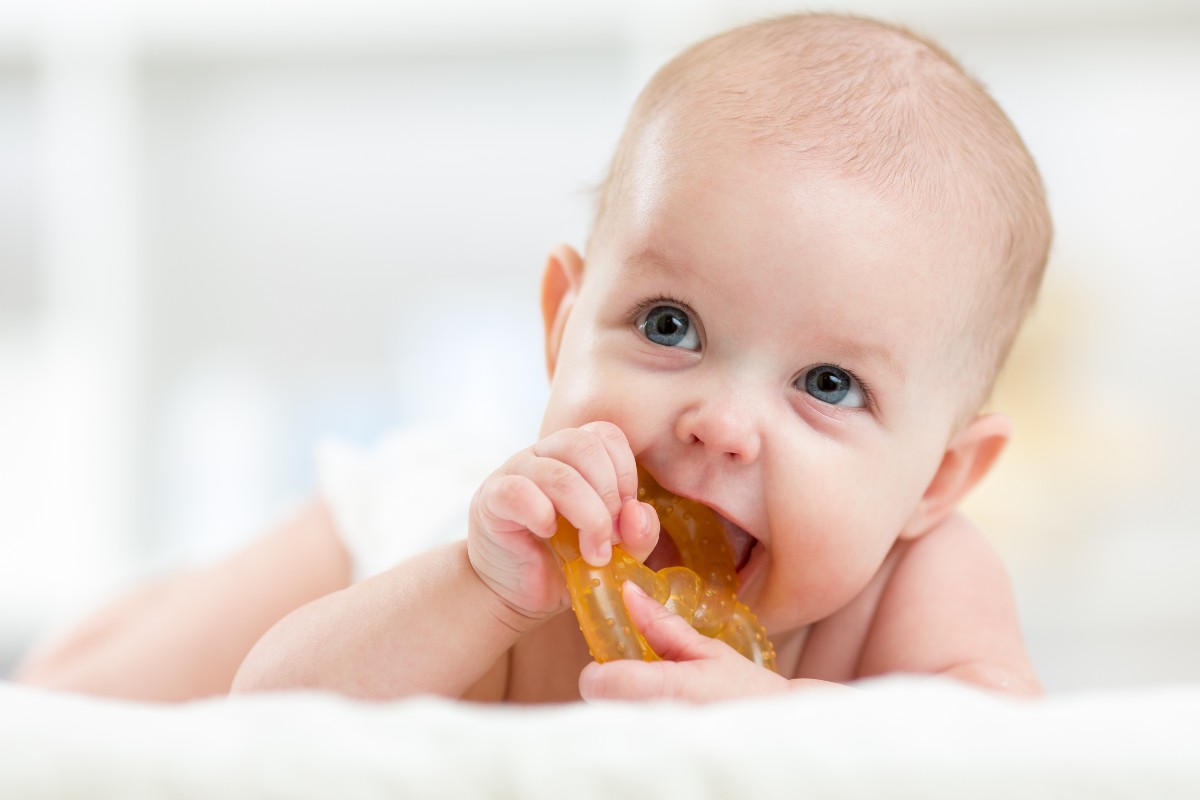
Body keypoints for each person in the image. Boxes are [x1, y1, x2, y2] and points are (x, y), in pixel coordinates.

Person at [16, 12, 1049, 703]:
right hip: (391, 537)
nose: (720, 424)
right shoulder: (511, 556)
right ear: (563, 322)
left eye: (828, 384)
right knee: (80, 697)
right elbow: (269, 712)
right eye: (669, 325)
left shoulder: (921, 584)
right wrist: (480, 586)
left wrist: (789, 725)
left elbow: (1001, 758)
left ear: (939, 477)